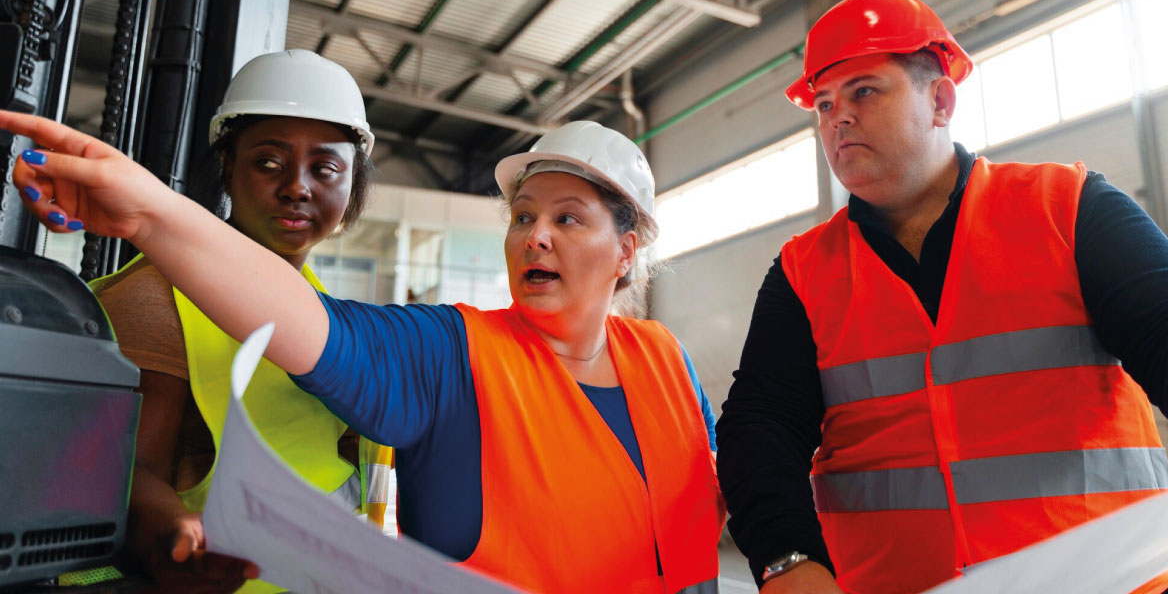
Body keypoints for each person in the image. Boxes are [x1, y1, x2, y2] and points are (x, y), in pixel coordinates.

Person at [2, 99, 726, 593]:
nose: (535, 235)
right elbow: (309, 322)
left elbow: (709, 496)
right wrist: (151, 213)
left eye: (569, 219)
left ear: (625, 251)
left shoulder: (666, 359)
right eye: (524, 215)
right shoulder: (451, 354)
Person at [714, 0, 1168, 593]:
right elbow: (759, 427)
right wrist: (787, 559)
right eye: (823, 103)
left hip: (1115, 582)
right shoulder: (802, 272)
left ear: (940, 101)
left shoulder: (1068, 209)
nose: (836, 118)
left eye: (863, 91)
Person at [86, 50, 391, 594]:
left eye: (325, 169)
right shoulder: (160, 296)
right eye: (269, 162)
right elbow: (126, 469)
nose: (298, 186)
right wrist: (173, 541)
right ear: (228, 165)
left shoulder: (325, 311)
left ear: (352, 185)